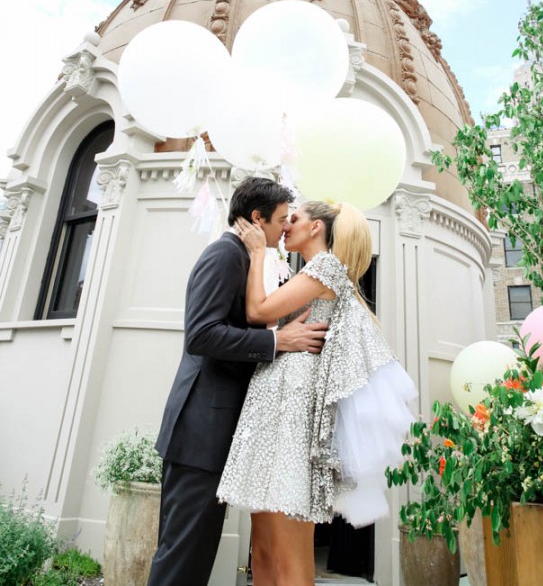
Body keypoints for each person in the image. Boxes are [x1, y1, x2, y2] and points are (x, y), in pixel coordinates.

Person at [217, 201, 417, 586]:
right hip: (276, 397)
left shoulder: (325, 266)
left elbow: (258, 312)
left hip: (294, 407)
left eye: (295, 219)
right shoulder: (305, 271)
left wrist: (259, 251)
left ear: (316, 228)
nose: (286, 225)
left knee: (289, 548)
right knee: (263, 545)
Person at [147, 178, 328, 586]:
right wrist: (277, 341)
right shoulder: (224, 256)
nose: (286, 227)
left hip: (215, 436)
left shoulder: (247, 258)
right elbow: (201, 334)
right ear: (256, 218)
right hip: (200, 434)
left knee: (194, 556)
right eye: (281, 219)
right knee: (182, 557)